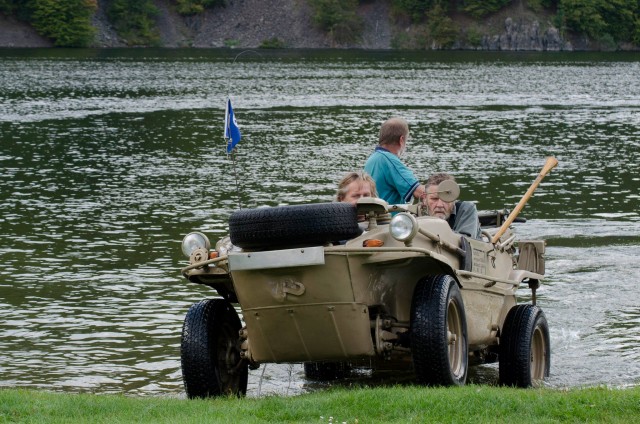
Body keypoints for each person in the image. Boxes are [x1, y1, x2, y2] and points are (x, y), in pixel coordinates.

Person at [364, 117, 425, 205]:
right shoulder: (390, 161)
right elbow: (420, 192)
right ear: (401, 140)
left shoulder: (373, 159)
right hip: (389, 213)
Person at [422, 173, 482, 240]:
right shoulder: (417, 216)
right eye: (434, 199)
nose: (439, 205)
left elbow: (467, 241)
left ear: (454, 199)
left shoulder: (467, 209)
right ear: (424, 198)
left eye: (445, 199)